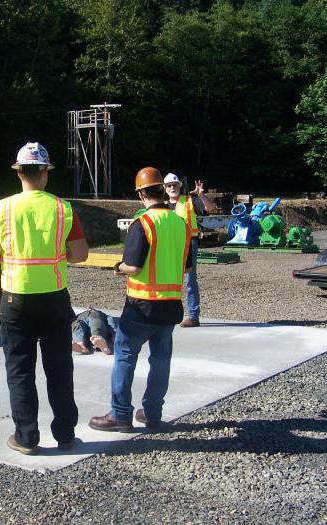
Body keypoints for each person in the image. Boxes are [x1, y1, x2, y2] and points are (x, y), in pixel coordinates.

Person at [0, 142, 89, 455]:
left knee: (20, 370)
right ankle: (66, 435)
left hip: (15, 299)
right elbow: (79, 254)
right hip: (54, 298)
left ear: (18, 172)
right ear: (44, 172)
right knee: (59, 368)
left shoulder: (2, 209)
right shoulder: (62, 208)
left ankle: (26, 437)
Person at [89, 167, 191, 433]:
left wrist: (117, 267)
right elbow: (188, 266)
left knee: (124, 356)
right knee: (160, 360)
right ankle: (153, 413)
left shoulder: (143, 223)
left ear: (142, 193)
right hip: (170, 306)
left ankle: (120, 415)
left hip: (141, 306)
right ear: (162, 190)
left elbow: (132, 266)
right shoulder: (180, 224)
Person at [163, 173, 214, 327]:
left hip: (188, 243)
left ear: (180, 186)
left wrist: (201, 194)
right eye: (169, 185)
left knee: (189, 280)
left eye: (175, 185)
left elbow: (210, 208)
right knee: (168, 280)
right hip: (169, 245)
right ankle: (168, 313)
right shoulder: (162, 206)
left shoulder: (190, 201)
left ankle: (193, 315)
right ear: (165, 189)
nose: (172, 187)